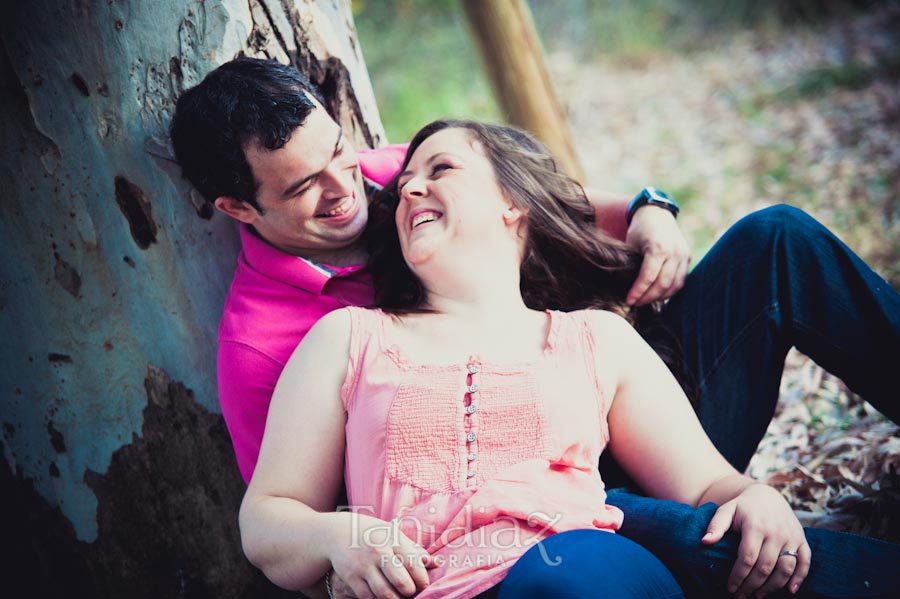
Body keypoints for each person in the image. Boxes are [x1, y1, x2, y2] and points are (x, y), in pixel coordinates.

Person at [169, 57, 900, 597]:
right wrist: (345, 542)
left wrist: (651, 207)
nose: (352, 187)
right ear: (240, 208)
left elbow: (544, 201)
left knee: (776, 241)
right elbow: (287, 518)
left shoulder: (399, 177)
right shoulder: (271, 344)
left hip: (587, 421)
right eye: (305, 186)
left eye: (339, 151)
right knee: (650, 544)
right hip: (476, 519)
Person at [240, 119, 816, 599]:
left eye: (439, 171)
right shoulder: (346, 337)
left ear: (514, 203)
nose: (409, 189)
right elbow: (266, 519)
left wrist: (754, 495)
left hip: (580, 570)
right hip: (434, 587)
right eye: (403, 186)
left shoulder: (594, 338)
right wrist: (338, 536)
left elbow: (705, 483)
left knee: (572, 569)